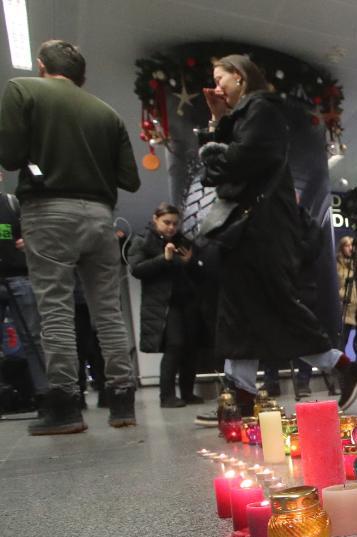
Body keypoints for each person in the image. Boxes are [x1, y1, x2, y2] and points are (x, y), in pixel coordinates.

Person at [198, 54, 357, 412]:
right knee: (240, 312)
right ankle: (243, 395)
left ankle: (342, 367)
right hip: (252, 231)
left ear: (240, 77)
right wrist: (219, 120)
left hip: (261, 231)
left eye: (221, 78)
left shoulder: (263, 111)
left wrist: (214, 149)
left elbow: (239, 162)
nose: (216, 87)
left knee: (272, 306)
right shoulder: (249, 115)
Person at [0, 40, 141, 434]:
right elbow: (130, 179)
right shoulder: (107, 113)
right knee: (108, 312)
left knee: (56, 311)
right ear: (83, 77)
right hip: (99, 215)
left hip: (48, 212)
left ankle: (64, 407)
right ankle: (122, 403)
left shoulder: (22, 89)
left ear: (42, 66)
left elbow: (9, 156)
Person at [127, 204, 204, 408]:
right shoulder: (142, 241)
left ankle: (187, 392)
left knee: (190, 348)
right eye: (166, 222)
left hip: (186, 301)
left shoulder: (183, 243)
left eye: (175, 224)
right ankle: (166, 396)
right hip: (162, 304)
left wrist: (191, 263)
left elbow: (198, 273)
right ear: (155, 219)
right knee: (174, 346)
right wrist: (164, 259)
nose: (171, 227)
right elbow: (136, 269)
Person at [0, 180, 48, 404]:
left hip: (19, 275)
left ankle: (45, 395)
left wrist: (29, 241)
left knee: (32, 338)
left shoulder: (12, 203)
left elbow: (34, 232)